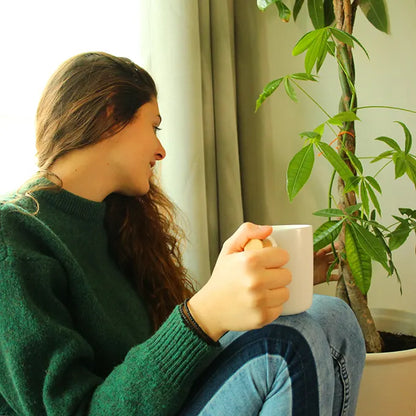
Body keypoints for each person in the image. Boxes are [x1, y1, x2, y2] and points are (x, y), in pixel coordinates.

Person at [0, 52, 365, 416]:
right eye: (154, 126)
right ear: (111, 115)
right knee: (285, 345)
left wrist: (276, 281)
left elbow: (165, 353)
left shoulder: (117, 219)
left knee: (332, 316)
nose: (160, 150)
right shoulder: (14, 236)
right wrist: (202, 314)